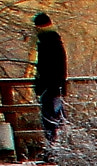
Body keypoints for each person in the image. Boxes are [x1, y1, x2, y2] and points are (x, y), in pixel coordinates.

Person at [33, 12, 66, 144]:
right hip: (54, 88)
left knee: (51, 120)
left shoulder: (48, 42)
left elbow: (47, 68)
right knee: (56, 118)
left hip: (50, 88)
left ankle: (53, 148)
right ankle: (58, 148)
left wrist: (41, 86)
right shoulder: (54, 40)